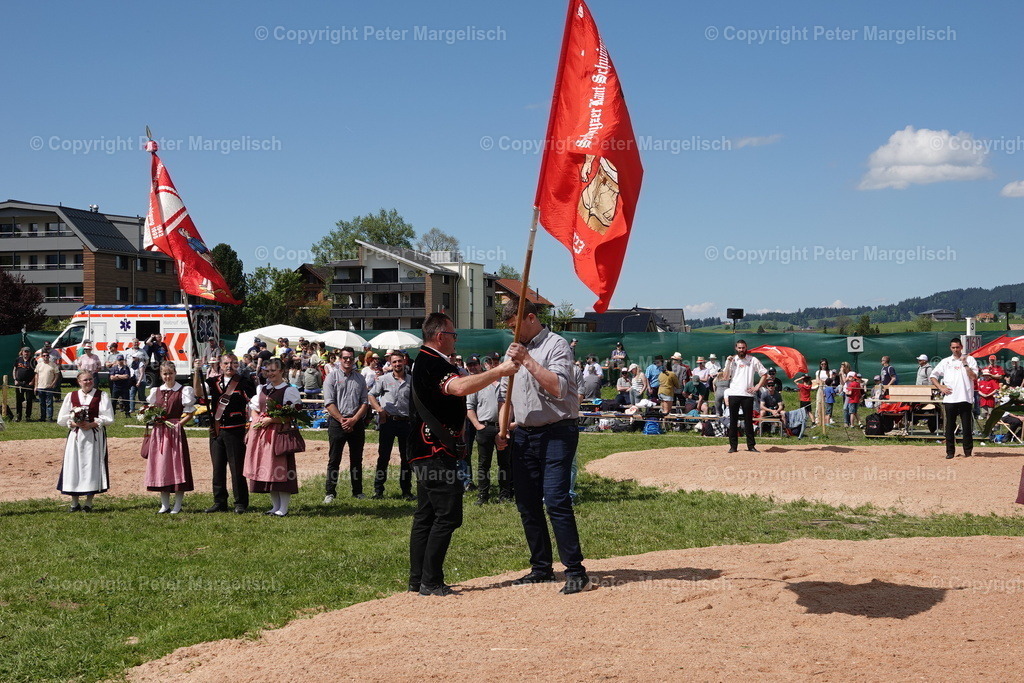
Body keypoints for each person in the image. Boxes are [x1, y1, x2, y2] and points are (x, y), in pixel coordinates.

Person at [408, 313, 518, 596]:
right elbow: (457, 388)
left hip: (425, 451)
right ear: (440, 336)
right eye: (454, 334)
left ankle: (418, 579)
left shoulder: (426, 360)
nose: (456, 339)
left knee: (427, 515)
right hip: (434, 451)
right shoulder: (432, 362)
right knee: (448, 515)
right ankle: (430, 582)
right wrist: (499, 371)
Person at [497, 299, 593, 595]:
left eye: (514, 327)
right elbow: (505, 396)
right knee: (526, 503)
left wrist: (527, 359)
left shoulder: (557, 345)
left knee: (555, 501)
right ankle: (541, 568)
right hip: (524, 434)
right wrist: (502, 429)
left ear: (529, 318)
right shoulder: (513, 349)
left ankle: (576, 571)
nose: (512, 334)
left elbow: (559, 388)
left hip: (557, 433)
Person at [196, 355, 256, 514]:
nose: (229, 366)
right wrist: (196, 371)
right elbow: (199, 392)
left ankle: (240, 502)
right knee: (218, 468)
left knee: (237, 468)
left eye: (233, 363)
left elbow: (253, 403)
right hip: (217, 430)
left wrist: (250, 426)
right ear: (220, 365)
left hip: (235, 430)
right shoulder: (213, 381)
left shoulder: (244, 382)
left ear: (237, 364)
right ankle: (219, 501)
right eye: (226, 363)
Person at [243, 357, 302, 515]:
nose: (270, 374)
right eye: (267, 371)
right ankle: (275, 506)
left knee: (280, 470)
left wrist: (272, 419)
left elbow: (293, 414)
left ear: (281, 371)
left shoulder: (289, 390)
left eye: (273, 371)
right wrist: (256, 419)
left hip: (279, 434)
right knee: (269, 470)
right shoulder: (262, 389)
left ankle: (283, 508)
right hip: (262, 435)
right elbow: (253, 407)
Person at [56, 370, 113, 511]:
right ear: (79, 382)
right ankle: (74, 503)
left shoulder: (102, 395)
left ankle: (88, 503)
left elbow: (109, 418)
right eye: (85, 380)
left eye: (90, 379)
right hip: (76, 436)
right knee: (73, 466)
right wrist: (74, 423)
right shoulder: (72, 396)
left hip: (94, 437)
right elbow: (61, 419)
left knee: (91, 467)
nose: (88, 382)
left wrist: (92, 424)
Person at [144, 361, 196, 514]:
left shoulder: (183, 390)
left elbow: (190, 412)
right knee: (161, 466)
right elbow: (150, 410)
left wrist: (179, 424)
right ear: (161, 375)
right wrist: (152, 418)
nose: (168, 376)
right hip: (159, 432)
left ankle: (178, 505)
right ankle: (164, 505)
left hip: (175, 431)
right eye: (165, 374)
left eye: (170, 373)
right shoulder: (156, 391)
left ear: (175, 373)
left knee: (177, 466)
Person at [322, 346, 369, 502]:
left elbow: (364, 402)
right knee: (334, 459)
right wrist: (342, 420)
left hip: (356, 423)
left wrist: (354, 419)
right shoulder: (331, 377)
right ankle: (330, 492)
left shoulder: (360, 378)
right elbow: (329, 403)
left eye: (350, 357)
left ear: (354, 359)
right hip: (337, 423)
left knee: (357, 459)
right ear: (340, 359)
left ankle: (357, 491)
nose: (348, 360)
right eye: (345, 358)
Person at [468, 353, 513, 505]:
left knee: (505, 463)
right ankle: (483, 495)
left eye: (496, 362)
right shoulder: (479, 382)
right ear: (485, 365)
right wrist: (478, 426)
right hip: (485, 427)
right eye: (490, 362)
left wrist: (509, 426)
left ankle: (505, 494)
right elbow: (470, 408)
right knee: (484, 464)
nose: (493, 365)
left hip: (503, 428)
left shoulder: (508, 383)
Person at [370, 351, 414, 500]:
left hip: (406, 423)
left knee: (406, 457)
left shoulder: (411, 381)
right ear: (390, 363)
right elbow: (371, 395)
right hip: (388, 422)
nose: (397, 364)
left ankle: (406, 491)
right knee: (384, 456)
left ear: (404, 362)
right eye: (394, 362)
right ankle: (378, 490)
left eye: (399, 361)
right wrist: (379, 409)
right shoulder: (383, 379)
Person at [930, 337, 979, 459]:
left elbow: (974, 377)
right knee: (949, 427)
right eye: (953, 347)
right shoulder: (946, 361)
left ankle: (968, 451)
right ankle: (950, 452)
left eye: (957, 347)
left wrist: (965, 364)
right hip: (950, 398)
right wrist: (940, 387)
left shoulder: (970, 359)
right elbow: (933, 376)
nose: (956, 350)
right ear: (950, 348)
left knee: (967, 426)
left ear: (961, 347)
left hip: (965, 397)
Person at [722, 339, 768, 453]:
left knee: (748, 421)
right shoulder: (732, 360)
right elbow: (725, 377)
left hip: (748, 394)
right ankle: (733, 447)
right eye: (739, 348)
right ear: (736, 348)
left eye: (743, 348)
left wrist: (757, 387)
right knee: (733, 421)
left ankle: (751, 446)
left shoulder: (753, 360)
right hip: (734, 393)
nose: (741, 350)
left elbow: (764, 374)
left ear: (746, 348)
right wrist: (728, 363)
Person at [34, 351, 60, 422]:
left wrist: (53, 383)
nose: (46, 357)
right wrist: (35, 386)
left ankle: (49, 418)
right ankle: (42, 417)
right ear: (42, 357)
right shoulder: (39, 365)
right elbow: (36, 375)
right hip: (40, 387)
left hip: (49, 387)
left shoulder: (53, 365)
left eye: (47, 355)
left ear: (49, 356)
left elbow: (57, 375)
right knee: (41, 403)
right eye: (44, 355)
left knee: (49, 403)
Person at [12, 346, 35, 422]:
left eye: (28, 352)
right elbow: (15, 369)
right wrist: (15, 379)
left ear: (30, 353)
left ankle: (28, 416)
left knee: (29, 400)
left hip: (29, 383)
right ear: (22, 352)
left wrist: (32, 381)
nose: (26, 353)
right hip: (19, 383)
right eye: (25, 351)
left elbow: (36, 372)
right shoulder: (18, 359)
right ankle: (18, 416)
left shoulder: (33, 360)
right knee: (19, 400)